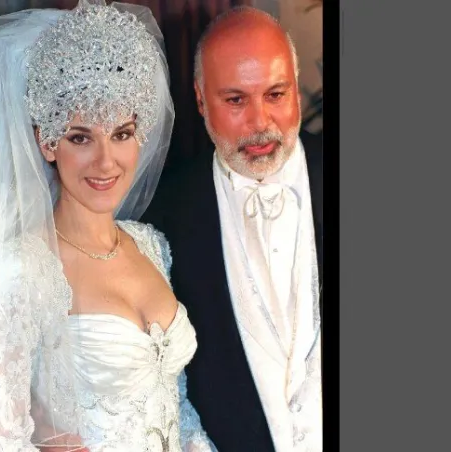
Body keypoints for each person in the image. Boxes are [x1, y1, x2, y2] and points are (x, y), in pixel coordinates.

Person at [0, 1, 216, 451]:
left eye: (121, 134)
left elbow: (177, 407)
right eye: (81, 137)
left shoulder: (151, 246)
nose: (105, 162)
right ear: (47, 142)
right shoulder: (21, 269)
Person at [142, 6, 323, 452]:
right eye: (236, 100)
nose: (260, 123)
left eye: (276, 94)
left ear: (296, 86)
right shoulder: (162, 215)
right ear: (201, 99)